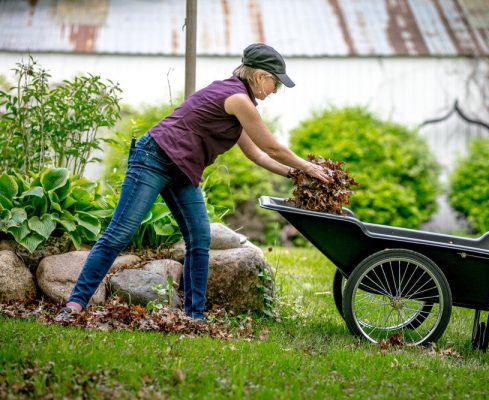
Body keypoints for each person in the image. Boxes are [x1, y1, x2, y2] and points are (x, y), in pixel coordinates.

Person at [54, 43, 331, 322]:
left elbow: (256, 154)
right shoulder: (237, 99)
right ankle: (75, 304)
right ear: (260, 77)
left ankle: (194, 317)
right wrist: (308, 166)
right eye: (276, 84)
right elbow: (271, 147)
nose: (275, 91)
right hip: (154, 158)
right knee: (119, 234)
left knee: (200, 238)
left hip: (182, 170)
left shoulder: (238, 101)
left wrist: (296, 175)